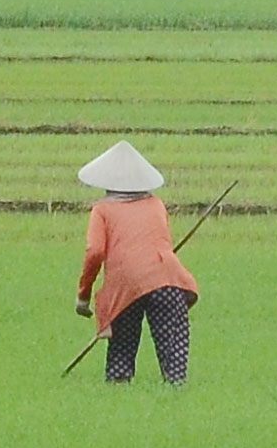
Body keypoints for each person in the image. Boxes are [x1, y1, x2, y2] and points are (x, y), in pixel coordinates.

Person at [73, 140, 199, 384]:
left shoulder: (102, 210)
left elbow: (95, 251)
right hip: (165, 278)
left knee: (122, 348)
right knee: (174, 354)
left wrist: (84, 295)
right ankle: (175, 390)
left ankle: (119, 388)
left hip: (125, 285)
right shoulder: (157, 204)